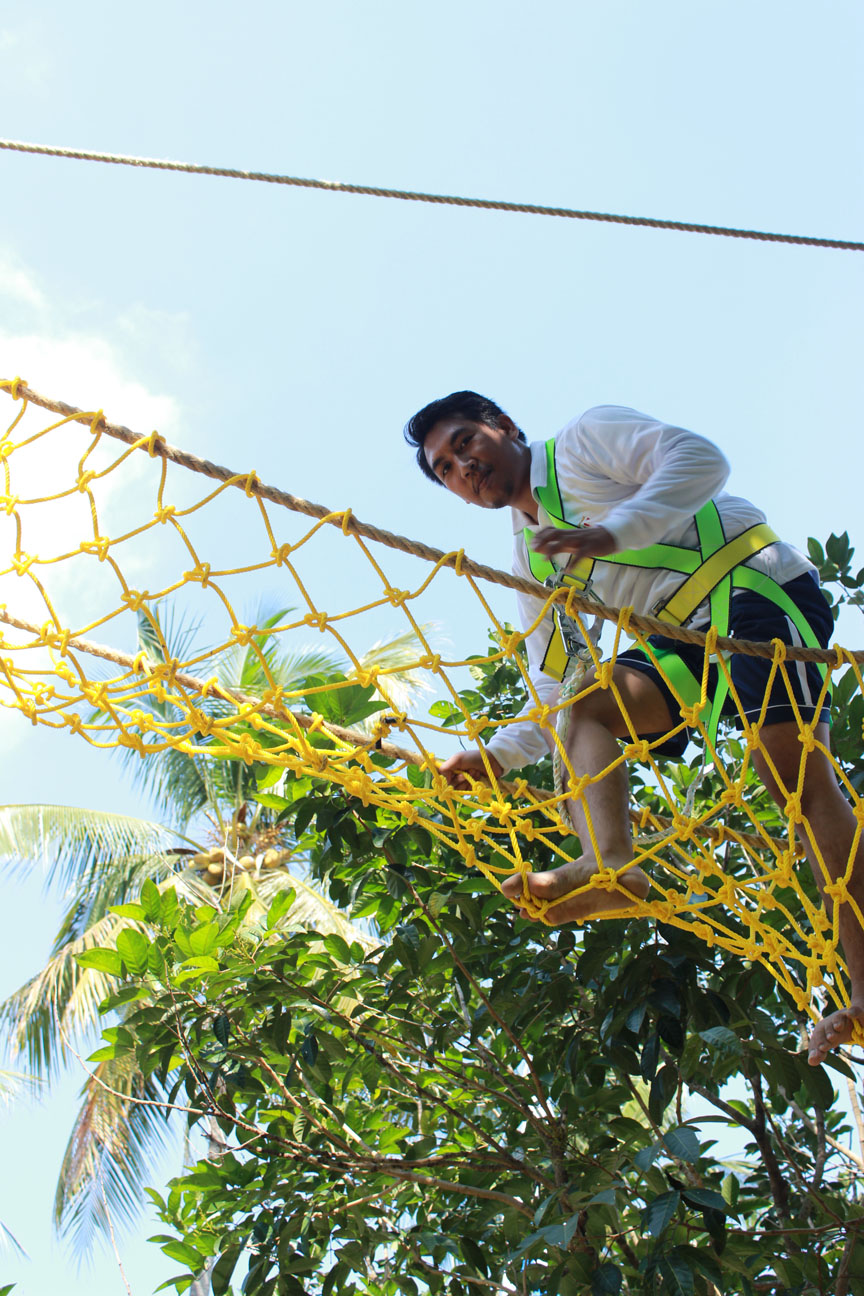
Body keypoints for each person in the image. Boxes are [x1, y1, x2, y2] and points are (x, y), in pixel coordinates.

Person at [403, 391, 864, 1065]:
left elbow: (702, 460)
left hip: (750, 590)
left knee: (796, 785)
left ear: (501, 426)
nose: (462, 467)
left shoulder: (586, 443)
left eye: (465, 443)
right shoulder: (531, 564)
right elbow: (555, 678)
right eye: (445, 468)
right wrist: (498, 756)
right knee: (587, 702)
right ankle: (608, 864)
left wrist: (614, 531)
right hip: (683, 640)